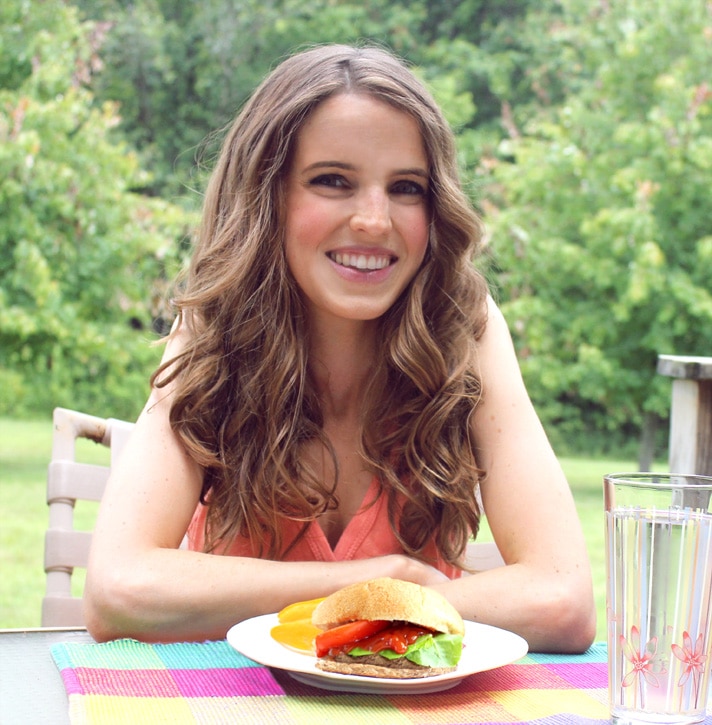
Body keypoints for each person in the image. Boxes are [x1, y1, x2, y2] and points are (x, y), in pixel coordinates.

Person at [84, 44, 596, 652]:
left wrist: (385, 595)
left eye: (407, 188)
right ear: (266, 196)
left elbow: (563, 602)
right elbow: (119, 591)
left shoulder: (465, 330)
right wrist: (384, 582)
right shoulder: (214, 332)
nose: (375, 221)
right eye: (333, 181)